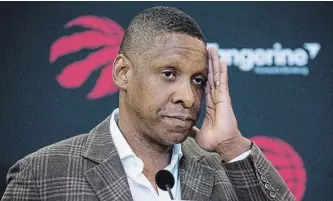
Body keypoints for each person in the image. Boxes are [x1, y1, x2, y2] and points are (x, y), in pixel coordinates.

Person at [1, 6, 295, 201]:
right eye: (169, 74)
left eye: (197, 80)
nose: (189, 97)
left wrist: (231, 145)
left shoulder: (227, 168)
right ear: (122, 73)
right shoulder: (42, 174)